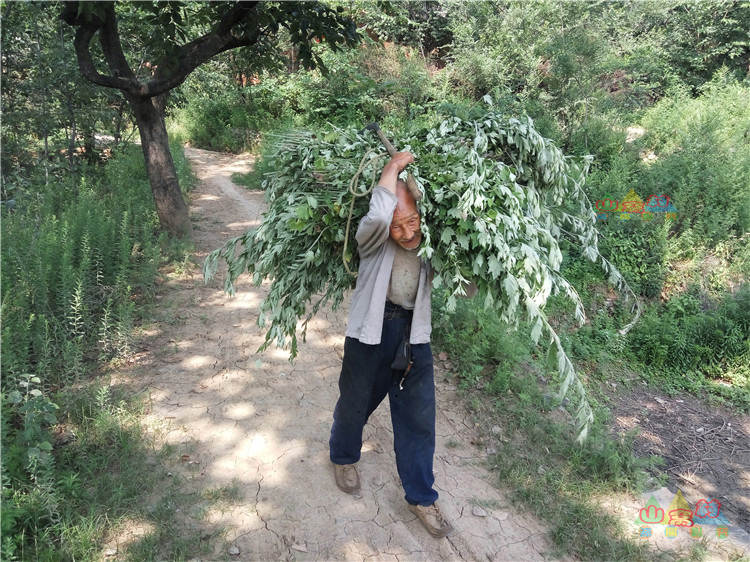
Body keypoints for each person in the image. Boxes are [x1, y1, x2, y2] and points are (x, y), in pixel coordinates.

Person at [329, 151, 453, 539]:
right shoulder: (373, 237)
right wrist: (392, 169)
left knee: (418, 417)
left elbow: (469, 281)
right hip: (371, 330)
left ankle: (421, 497)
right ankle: (344, 456)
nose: (406, 232)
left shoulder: (434, 243)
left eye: (412, 221)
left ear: (423, 214)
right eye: (399, 225)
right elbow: (382, 216)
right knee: (355, 402)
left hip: (414, 335)